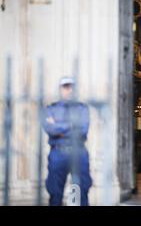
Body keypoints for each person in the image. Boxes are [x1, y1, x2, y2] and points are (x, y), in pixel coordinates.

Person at [43, 77, 92, 206]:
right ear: (60, 89)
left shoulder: (82, 108)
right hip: (58, 153)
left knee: (79, 192)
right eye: (66, 87)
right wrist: (71, 125)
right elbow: (50, 130)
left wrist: (59, 126)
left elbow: (82, 131)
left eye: (71, 87)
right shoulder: (51, 109)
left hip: (78, 152)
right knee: (55, 192)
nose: (69, 90)